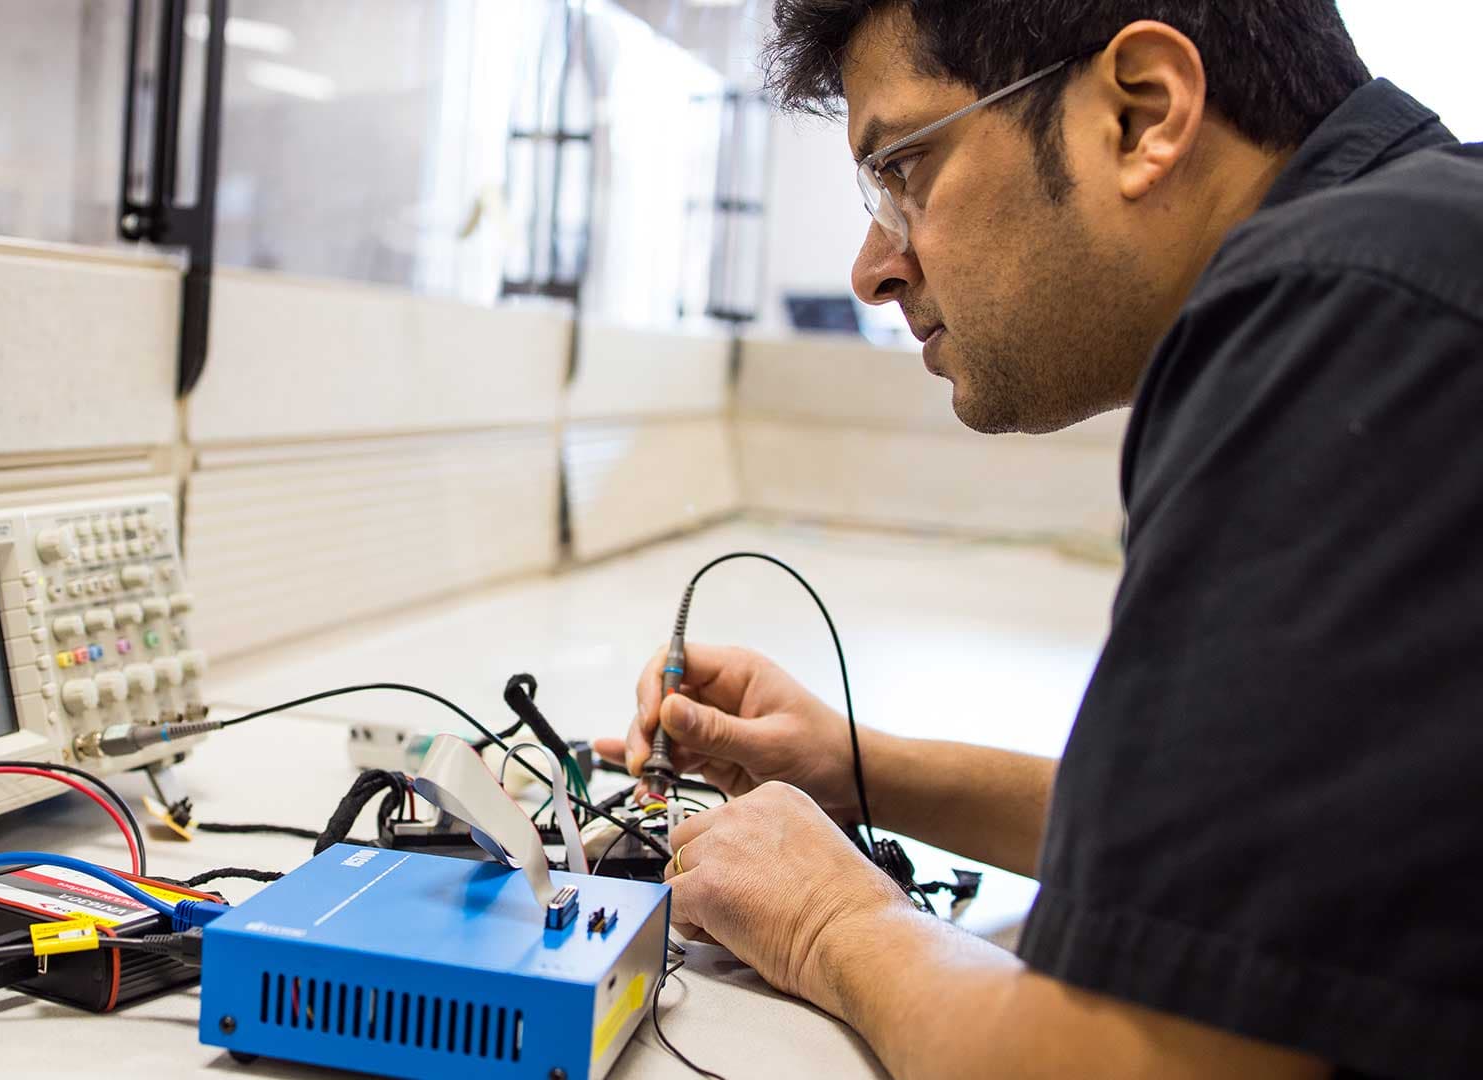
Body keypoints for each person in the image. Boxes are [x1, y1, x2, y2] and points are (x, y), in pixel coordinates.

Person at [595, 2, 1483, 1077]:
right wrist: (857, 771)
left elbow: (1125, 1067)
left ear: (1139, 114)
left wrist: (826, 922)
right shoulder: (1422, 258)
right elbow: (1267, 854)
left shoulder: (1346, 314)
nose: (874, 266)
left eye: (904, 171)